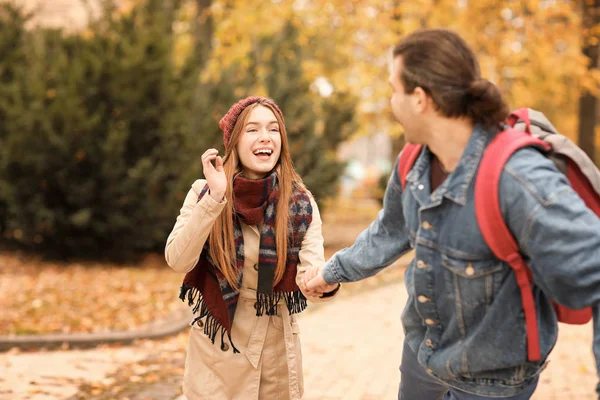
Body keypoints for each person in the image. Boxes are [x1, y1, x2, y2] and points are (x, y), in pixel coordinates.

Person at [305, 29, 600, 399]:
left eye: (394, 89)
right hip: (422, 357)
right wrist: (332, 273)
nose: (390, 101)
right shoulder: (412, 161)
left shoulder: (518, 178)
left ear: (419, 99)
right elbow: (390, 230)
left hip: (492, 382)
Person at [165, 96, 340, 400]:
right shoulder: (204, 192)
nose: (265, 137)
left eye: (273, 130)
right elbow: (178, 260)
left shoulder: (300, 202)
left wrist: (325, 281)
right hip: (218, 351)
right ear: (234, 141)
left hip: (276, 357)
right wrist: (215, 199)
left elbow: (310, 270)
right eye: (253, 130)